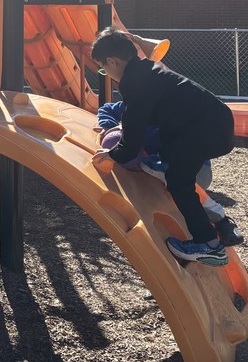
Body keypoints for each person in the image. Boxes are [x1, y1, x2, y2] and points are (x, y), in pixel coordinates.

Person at [91, 27, 236, 266]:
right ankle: (216, 219)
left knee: (179, 183)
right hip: (212, 124)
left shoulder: (133, 82)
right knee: (170, 160)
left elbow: (133, 129)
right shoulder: (147, 70)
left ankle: (209, 245)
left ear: (112, 62)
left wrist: (113, 154)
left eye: (103, 68)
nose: (106, 74)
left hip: (205, 131)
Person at [97, 99, 243, 247]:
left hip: (196, 168)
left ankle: (220, 224)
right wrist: (110, 126)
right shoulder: (136, 105)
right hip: (162, 161)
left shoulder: (170, 116)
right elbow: (107, 109)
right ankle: (213, 226)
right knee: (155, 172)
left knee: (178, 184)